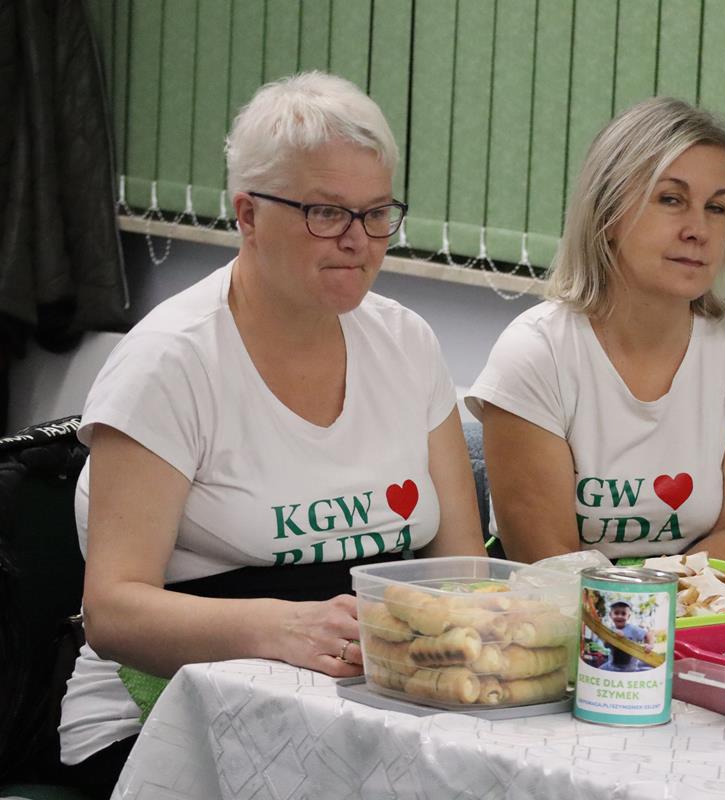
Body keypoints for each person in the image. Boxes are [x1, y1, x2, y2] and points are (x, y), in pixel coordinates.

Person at [57, 71, 486, 798]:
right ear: (248, 215)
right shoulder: (170, 363)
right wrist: (285, 630)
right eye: (326, 212)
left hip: (358, 705)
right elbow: (114, 612)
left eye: (376, 213)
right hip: (164, 723)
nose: (357, 240)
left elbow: (462, 573)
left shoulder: (407, 344)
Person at [467, 97, 725, 567]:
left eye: (716, 208)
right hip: (560, 607)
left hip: (703, 602)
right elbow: (549, 563)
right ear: (608, 214)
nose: (698, 230)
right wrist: (658, 597)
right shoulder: (536, 354)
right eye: (671, 200)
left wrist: (672, 594)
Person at [602, 601, 654, 672]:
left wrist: (650, 645)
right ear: (610, 615)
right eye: (616, 613)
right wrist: (613, 637)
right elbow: (606, 645)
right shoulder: (610, 630)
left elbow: (648, 635)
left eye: (623, 614)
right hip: (612, 667)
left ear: (628, 616)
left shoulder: (633, 629)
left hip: (630, 669)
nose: (620, 616)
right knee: (598, 670)